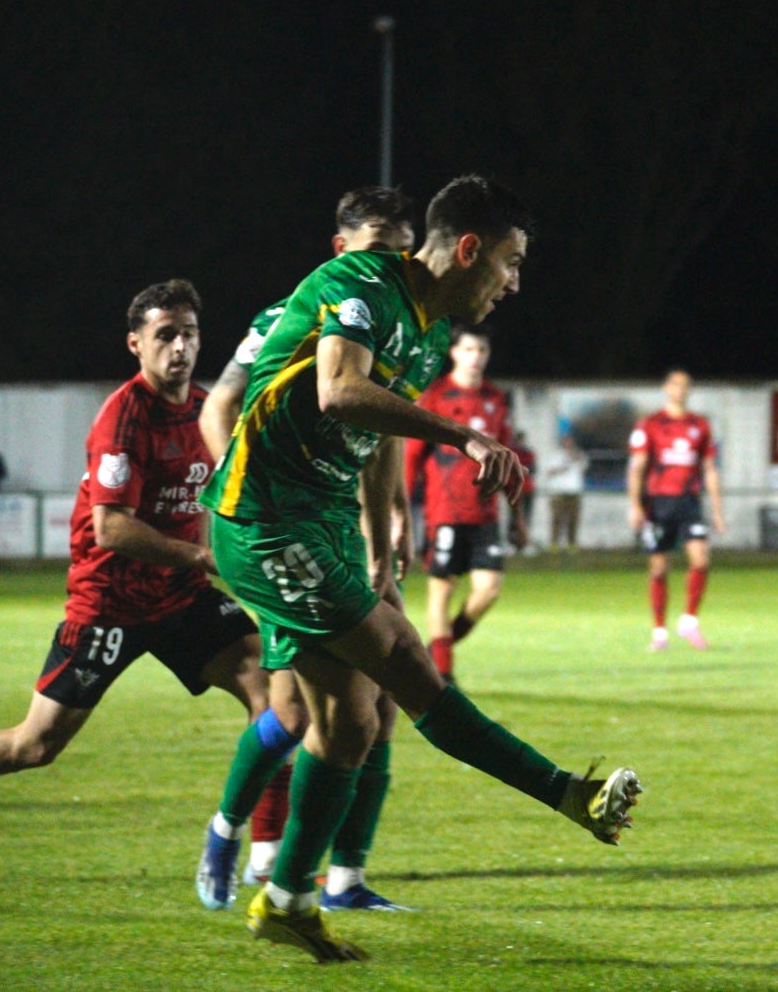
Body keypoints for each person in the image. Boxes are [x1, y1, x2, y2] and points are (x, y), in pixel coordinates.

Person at [200, 174, 639, 963]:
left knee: (352, 723)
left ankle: (289, 898)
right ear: (467, 248)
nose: (513, 282)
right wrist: (462, 436)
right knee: (405, 664)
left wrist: (381, 536)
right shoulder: (358, 281)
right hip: (265, 519)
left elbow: (371, 431)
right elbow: (339, 391)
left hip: (325, 522)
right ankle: (568, 795)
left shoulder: (430, 332)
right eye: (509, 262)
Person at [0, 281, 269, 805]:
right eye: (165, 336)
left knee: (275, 699)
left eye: (189, 334)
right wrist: (203, 556)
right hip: (111, 605)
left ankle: (267, 859)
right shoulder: (125, 418)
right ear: (136, 343)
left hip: (182, 596)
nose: (179, 347)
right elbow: (110, 527)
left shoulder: (206, 412)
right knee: (34, 745)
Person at [194, 186, 419, 914]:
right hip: (288, 534)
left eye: (401, 246)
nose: (390, 259)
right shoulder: (285, 321)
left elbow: (383, 435)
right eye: (377, 244)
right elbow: (218, 406)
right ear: (341, 248)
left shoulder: (400, 330)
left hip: (355, 539)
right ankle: (229, 831)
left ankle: (345, 879)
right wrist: (256, 498)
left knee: (380, 709)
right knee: (295, 713)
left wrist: (395, 523)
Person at [404, 328, 523, 684]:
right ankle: (442, 673)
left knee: (488, 590)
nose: (475, 356)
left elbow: (506, 459)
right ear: (454, 353)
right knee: (441, 590)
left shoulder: (495, 399)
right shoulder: (436, 395)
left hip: (485, 513)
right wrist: (403, 511)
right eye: (468, 348)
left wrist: (517, 515)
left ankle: (437, 651)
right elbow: (411, 457)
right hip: (445, 513)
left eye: (481, 349)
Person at [628, 369, 725, 651]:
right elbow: (637, 466)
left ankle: (688, 621)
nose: (679, 389)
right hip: (658, 503)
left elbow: (709, 469)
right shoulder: (650, 424)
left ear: (689, 390)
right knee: (658, 568)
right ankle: (659, 632)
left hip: (689, 502)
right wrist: (635, 505)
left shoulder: (700, 426)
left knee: (701, 559)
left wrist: (717, 511)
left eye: (684, 385)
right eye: (674, 384)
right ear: (665, 388)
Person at [545, 433, 588, 552]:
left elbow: (584, 468)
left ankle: (572, 543)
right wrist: (562, 467)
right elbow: (549, 472)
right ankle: (554, 543)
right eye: (566, 441)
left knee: (573, 519)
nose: (568, 444)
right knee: (557, 519)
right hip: (558, 492)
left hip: (574, 492)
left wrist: (575, 458)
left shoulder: (578, 455)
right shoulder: (556, 456)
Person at [511, 430, 537, 552]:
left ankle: (525, 544)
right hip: (514, 489)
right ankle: (513, 544)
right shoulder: (511, 453)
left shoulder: (528, 453)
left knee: (526, 517)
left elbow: (532, 469)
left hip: (526, 488)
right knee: (514, 518)